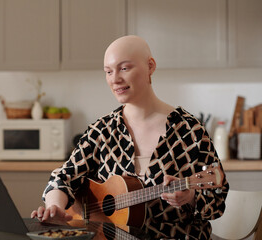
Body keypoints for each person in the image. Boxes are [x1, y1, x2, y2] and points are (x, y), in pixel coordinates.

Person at [31, 35, 229, 239]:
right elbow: (63, 176)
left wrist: (191, 197)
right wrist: (55, 207)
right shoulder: (102, 130)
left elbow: (217, 200)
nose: (115, 79)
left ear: (150, 66)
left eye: (124, 68)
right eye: (108, 72)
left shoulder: (189, 130)